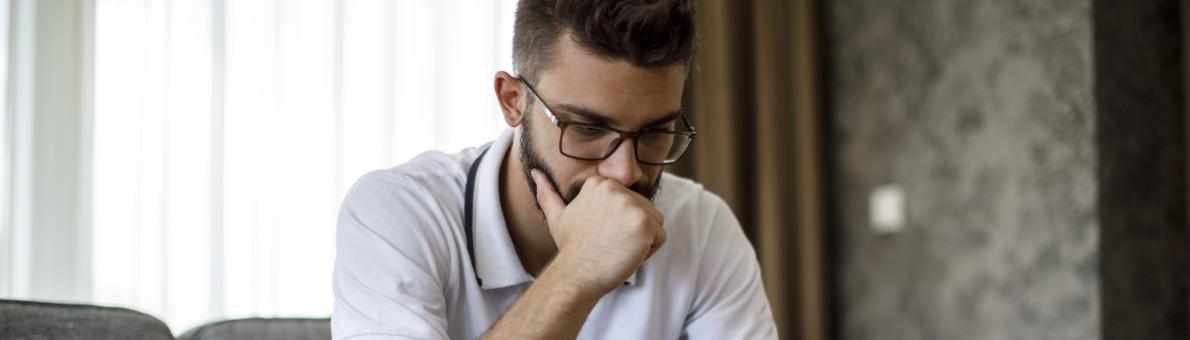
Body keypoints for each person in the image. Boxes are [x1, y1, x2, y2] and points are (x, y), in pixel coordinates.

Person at [332, 0, 778, 339]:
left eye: (654, 132)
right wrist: (578, 271)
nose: (624, 172)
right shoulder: (395, 212)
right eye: (586, 129)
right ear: (513, 100)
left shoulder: (703, 228)